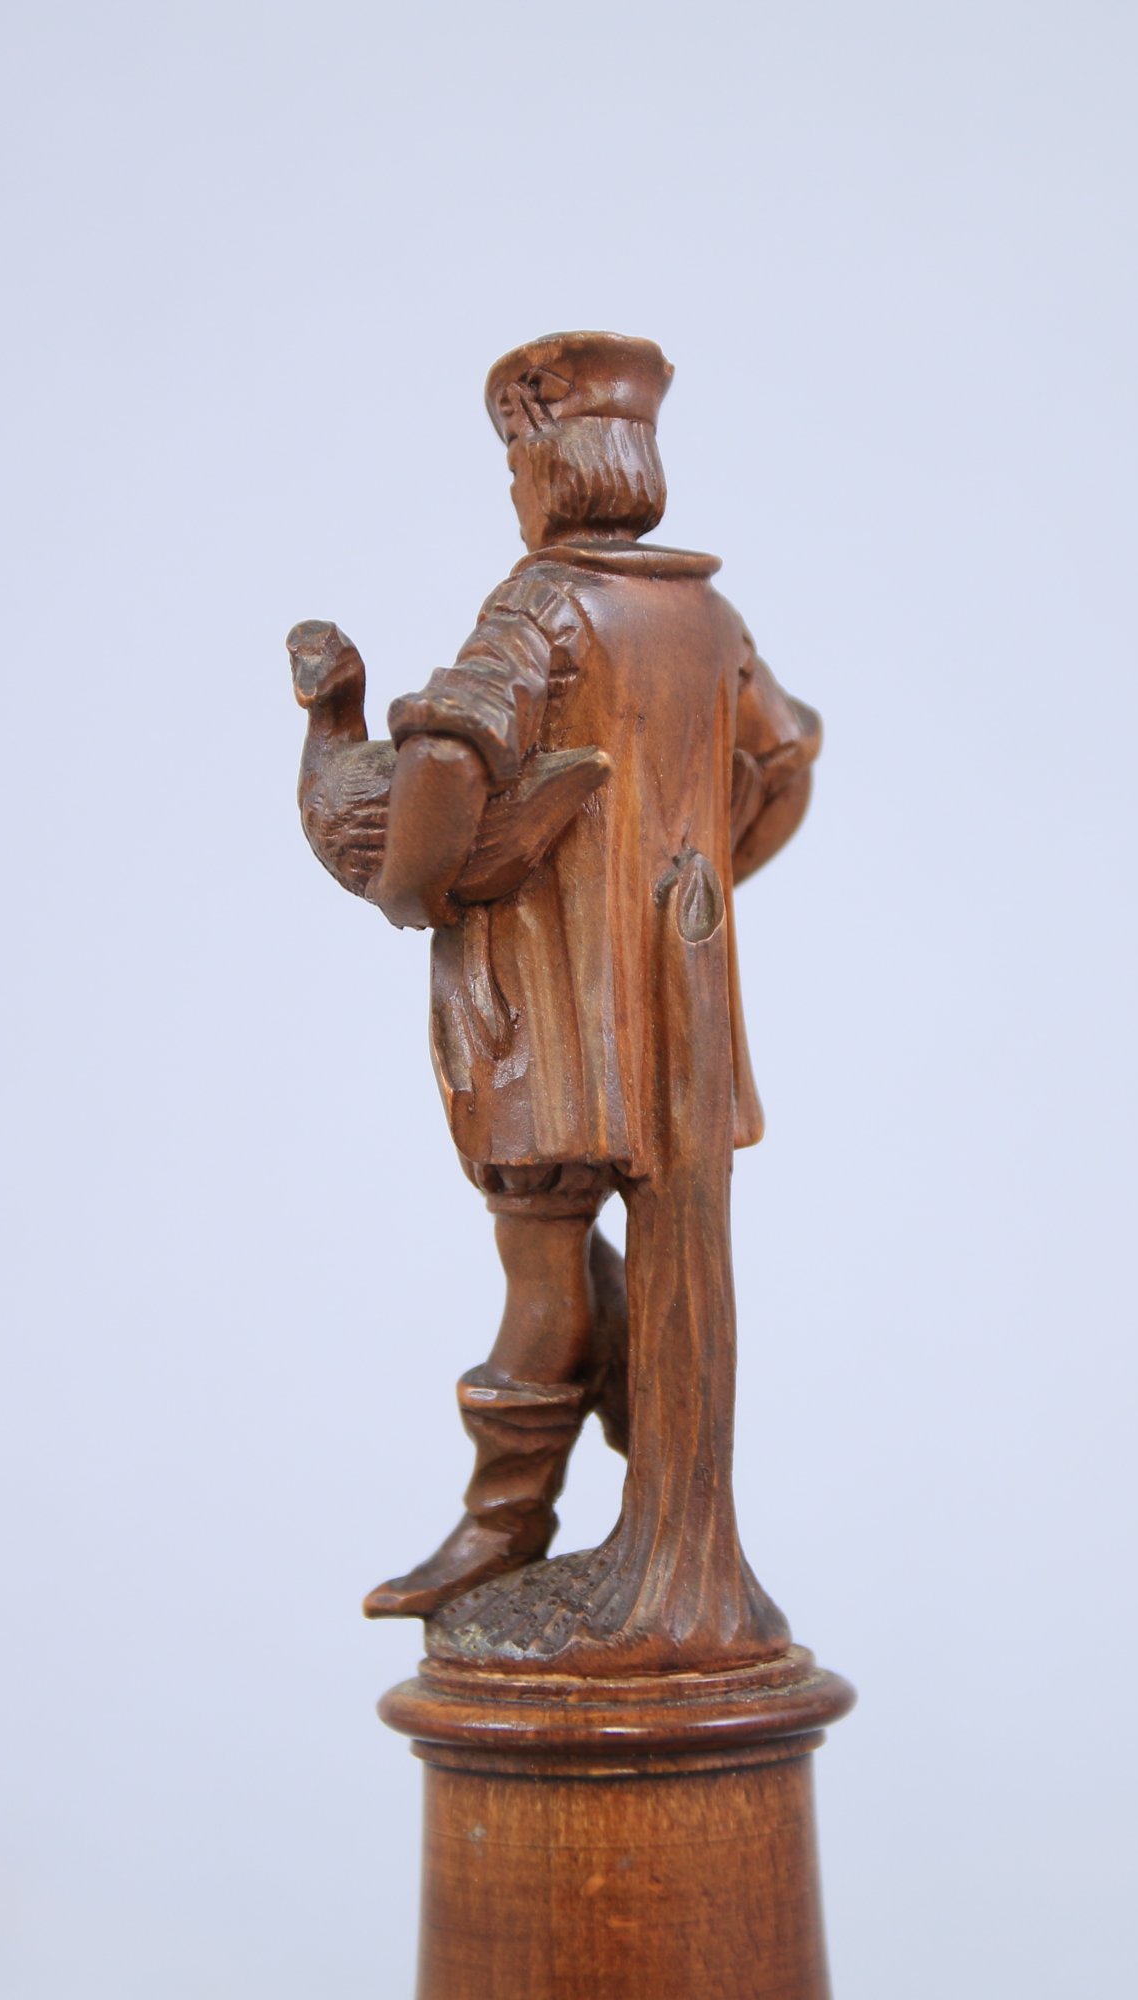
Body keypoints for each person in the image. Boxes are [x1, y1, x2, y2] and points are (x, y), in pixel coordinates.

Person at [359, 331, 821, 1621]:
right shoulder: (709, 616)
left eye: (517, 467)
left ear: (549, 470)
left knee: (541, 1256)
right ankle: (648, 1481)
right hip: (683, 999)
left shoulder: (545, 606)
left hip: (557, 1011)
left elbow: (446, 758)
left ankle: (501, 1526)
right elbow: (786, 759)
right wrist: (701, 883)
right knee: (614, 1250)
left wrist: (417, 892)